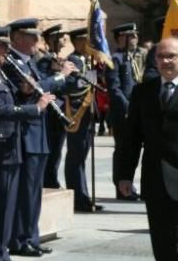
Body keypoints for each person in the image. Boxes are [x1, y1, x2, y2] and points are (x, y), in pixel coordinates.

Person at [0, 27, 53, 261]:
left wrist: (25, 92)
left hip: (10, 144)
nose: (7, 51)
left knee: (8, 203)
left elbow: (10, 101)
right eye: (2, 45)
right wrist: (35, 108)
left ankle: (2, 249)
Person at [2, 18, 74, 256]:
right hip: (25, 135)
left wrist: (58, 76)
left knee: (35, 190)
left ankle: (31, 236)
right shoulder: (10, 62)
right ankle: (20, 239)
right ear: (17, 38)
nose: (37, 41)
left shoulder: (29, 62)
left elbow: (41, 88)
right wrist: (58, 77)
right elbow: (30, 90)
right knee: (25, 190)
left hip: (38, 133)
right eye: (32, 36)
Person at [118, 38, 178, 261]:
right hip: (155, 178)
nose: (166, 61)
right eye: (161, 56)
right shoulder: (144, 92)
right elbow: (130, 137)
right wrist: (124, 175)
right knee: (162, 239)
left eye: (172, 56)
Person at [63, 27, 103, 212]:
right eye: (84, 41)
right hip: (77, 114)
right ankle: (78, 196)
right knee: (75, 157)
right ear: (77, 42)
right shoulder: (72, 61)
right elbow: (73, 87)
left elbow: (92, 85)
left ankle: (84, 195)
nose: (88, 44)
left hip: (87, 114)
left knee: (81, 157)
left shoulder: (87, 60)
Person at [106, 23, 141, 200]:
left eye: (135, 35)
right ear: (121, 38)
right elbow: (114, 89)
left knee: (133, 150)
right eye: (131, 36)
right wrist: (129, 108)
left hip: (136, 112)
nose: (135, 39)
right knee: (122, 150)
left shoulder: (135, 57)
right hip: (123, 114)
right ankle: (121, 187)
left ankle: (129, 185)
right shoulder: (116, 59)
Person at [38, 25, 68, 188]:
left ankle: (52, 177)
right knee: (51, 147)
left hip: (61, 109)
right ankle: (48, 179)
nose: (65, 39)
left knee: (57, 148)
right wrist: (59, 74)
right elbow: (43, 83)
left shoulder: (59, 59)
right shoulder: (45, 61)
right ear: (52, 39)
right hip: (50, 110)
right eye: (61, 36)